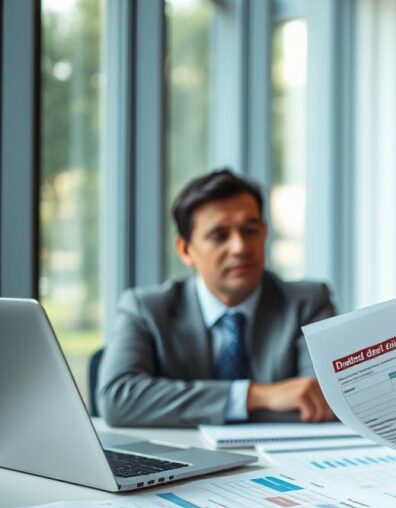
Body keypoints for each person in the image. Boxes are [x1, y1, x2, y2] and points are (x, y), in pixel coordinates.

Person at [98, 169, 337, 427]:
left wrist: (172, 407)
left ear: (265, 233)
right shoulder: (145, 308)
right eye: (219, 236)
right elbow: (118, 398)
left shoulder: (307, 302)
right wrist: (254, 396)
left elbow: (321, 401)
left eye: (250, 230)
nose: (240, 247)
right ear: (185, 249)